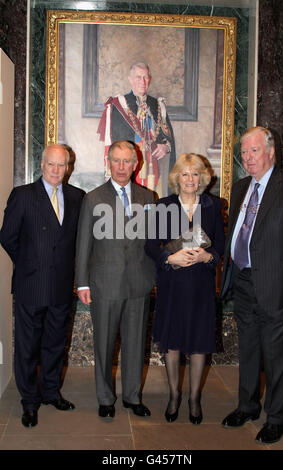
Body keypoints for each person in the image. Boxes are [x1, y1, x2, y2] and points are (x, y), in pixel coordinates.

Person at [0, 144, 85, 428]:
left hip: (61, 285)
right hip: (31, 285)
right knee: (27, 346)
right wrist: (28, 264)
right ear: (42, 163)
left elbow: (77, 242)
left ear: (68, 167)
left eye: (62, 165)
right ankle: (29, 401)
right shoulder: (23, 195)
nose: (57, 170)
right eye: (52, 164)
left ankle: (50, 392)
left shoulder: (77, 197)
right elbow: (7, 237)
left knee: (55, 343)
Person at [220, 126, 283, 444]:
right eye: (244, 152)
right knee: (248, 349)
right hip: (244, 282)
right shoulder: (240, 188)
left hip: (277, 286)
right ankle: (247, 406)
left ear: (271, 151)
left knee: (277, 356)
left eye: (254, 151)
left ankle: (277, 417)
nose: (248, 158)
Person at [75, 140, 156, 419]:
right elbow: (83, 244)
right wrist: (82, 283)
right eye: (117, 161)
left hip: (138, 282)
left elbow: (153, 242)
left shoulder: (148, 197)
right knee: (105, 344)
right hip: (105, 283)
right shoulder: (93, 198)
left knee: (135, 344)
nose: (122, 167)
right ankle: (106, 397)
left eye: (127, 161)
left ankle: (133, 397)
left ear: (136, 164)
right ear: (108, 163)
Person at [145, 153, 225, 424]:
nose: (190, 179)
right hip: (172, 286)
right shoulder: (163, 205)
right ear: (176, 177)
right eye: (185, 174)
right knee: (174, 342)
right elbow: (149, 245)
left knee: (199, 343)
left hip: (201, 286)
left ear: (202, 177)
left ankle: (193, 399)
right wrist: (169, 258)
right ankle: (174, 395)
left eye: (195, 174)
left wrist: (208, 256)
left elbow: (220, 247)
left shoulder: (213, 206)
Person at [98, 62, 176, 197]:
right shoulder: (118, 105)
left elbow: (168, 138)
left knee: (153, 207)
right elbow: (109, 142)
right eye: (138, 77)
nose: (142, 81)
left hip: (153, 168)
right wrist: (109, 171)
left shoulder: (158, 105)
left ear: (150, 79)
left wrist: (165, 147)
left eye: (145, 77)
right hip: (128, 167)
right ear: (130, 80)